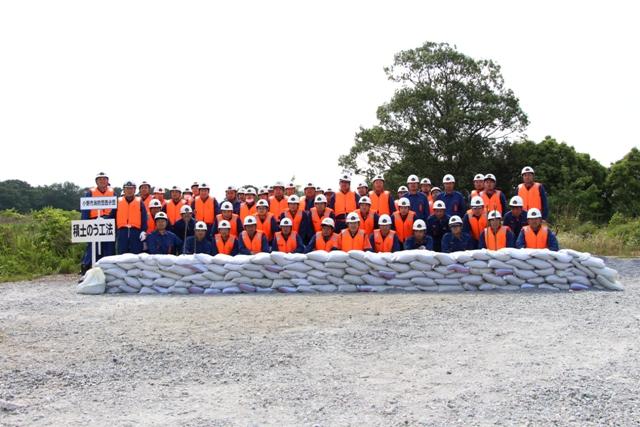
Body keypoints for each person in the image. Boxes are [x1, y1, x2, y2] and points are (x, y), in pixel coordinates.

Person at [80, 172, 115, 273]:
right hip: (93, 222)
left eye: (104, 179)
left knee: (108, 247)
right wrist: (85, 225)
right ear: (96, 181)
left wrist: (109, 219)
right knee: (92, 247)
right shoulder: (90, 193)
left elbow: (115, 209)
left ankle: (108, 270)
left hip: (108, 222)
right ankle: (85, 268)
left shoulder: (112, 192)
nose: (102, 181)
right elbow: (85, 211)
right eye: (100, 179)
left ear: (107, 181)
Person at [112, 181, 148, 254]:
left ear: (135, 190)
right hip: (122, 232)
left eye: (131, 189)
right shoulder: (118, 201)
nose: (129, 191)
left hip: (135, 232)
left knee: (136, 254)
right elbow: (112, 215)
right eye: (127, 189)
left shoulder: (139, 202)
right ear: (124, 190)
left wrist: (143, 230)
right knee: (122, 254)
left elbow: (144, 218)